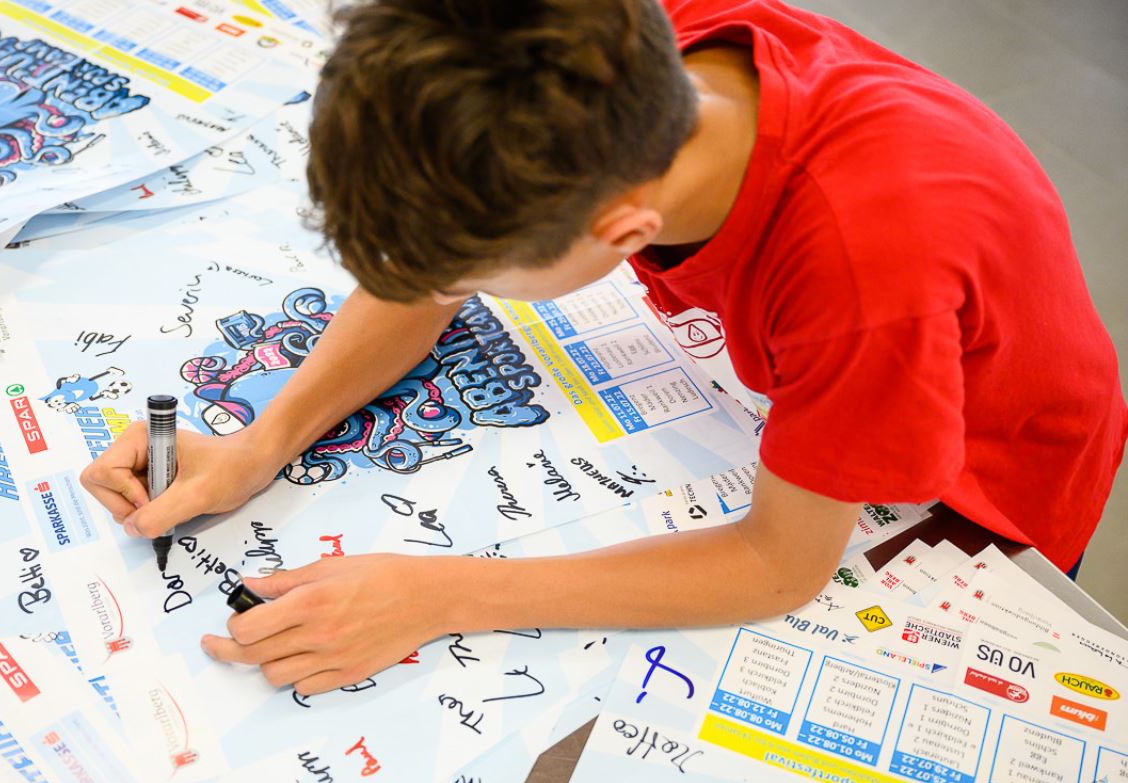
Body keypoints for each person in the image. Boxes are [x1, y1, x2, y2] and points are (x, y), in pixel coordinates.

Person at [81, 0, 1127, 696]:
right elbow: (435, 260)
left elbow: (776, 564)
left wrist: (442, 592)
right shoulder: (607, 41)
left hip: (977, 486)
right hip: (812, 365)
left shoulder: (865, 279)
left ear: (627, 230)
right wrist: (262, 440)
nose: (440, 296)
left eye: (470, 280)